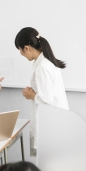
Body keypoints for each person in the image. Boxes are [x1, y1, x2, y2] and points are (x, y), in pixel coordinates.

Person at [14, 27, 69, 156]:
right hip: (56, 121)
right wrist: (34, 91)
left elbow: (47, 100)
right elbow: (48, 92)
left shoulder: (43, 67)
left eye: (20, 50)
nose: (21, 54)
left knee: (48, 162)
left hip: (50, 124)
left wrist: (32, 95)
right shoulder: (47, 62)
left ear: (27, 48)